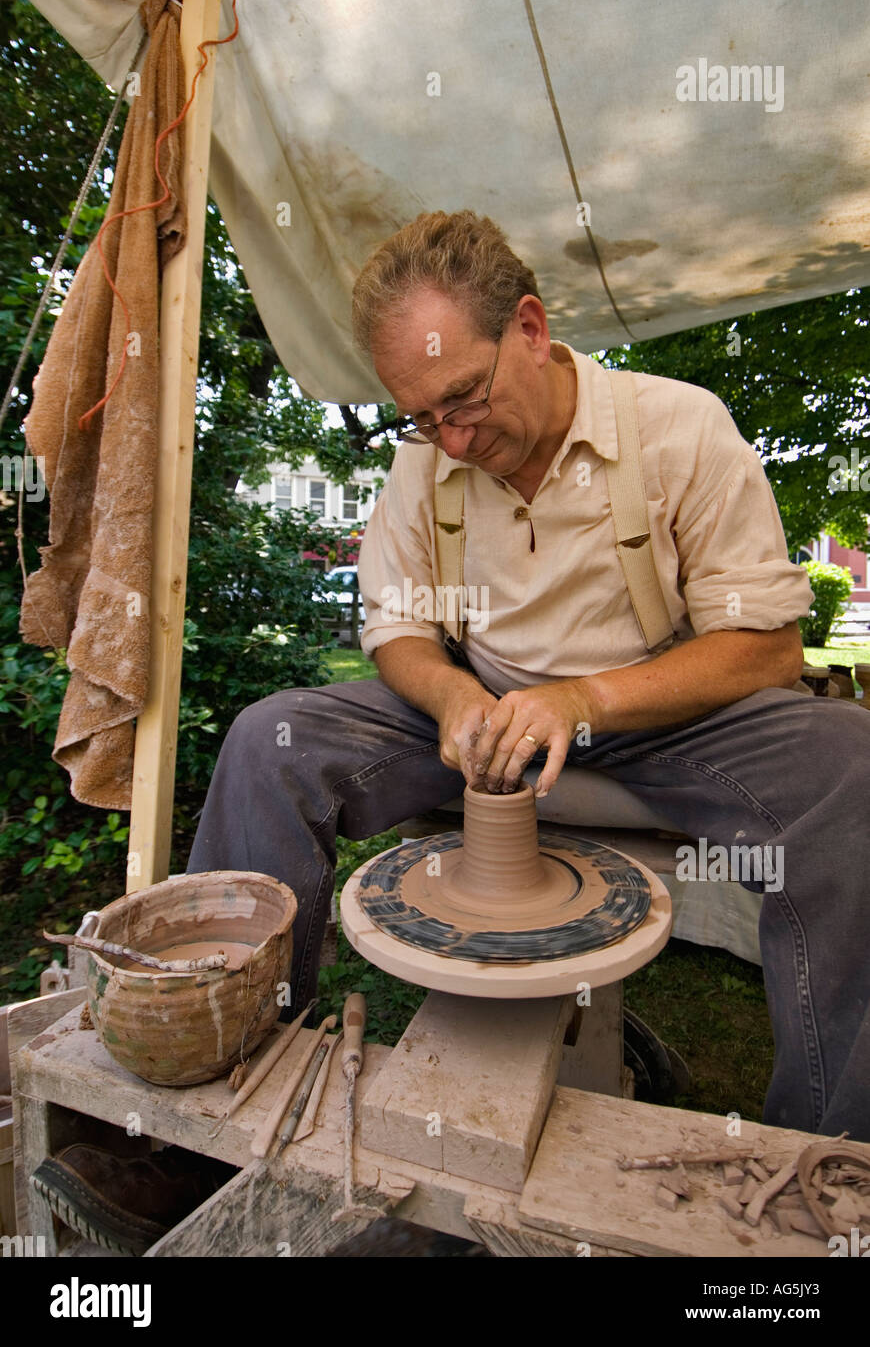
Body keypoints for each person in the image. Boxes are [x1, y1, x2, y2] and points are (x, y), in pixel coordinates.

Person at [185, 211, 870, 1144]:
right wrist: (454, 697)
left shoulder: (679, 428)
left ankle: (828, 1155)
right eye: (421, 416)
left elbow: (765, 646)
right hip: (485, 716)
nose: (452, 440)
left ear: (533, 329)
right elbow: (397, 630)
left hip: (660, 715)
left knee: (850, 764)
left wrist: (585, 701)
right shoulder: (425, 461)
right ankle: (226, 1084)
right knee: (272, 740)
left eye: (463, 398)